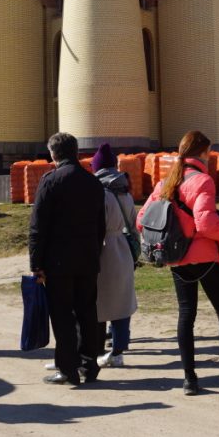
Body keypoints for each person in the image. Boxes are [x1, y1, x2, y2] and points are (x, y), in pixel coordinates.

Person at [136, 130, 219, 396]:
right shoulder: (203, 181)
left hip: (176, 258)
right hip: (204, 257)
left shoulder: (166, 182)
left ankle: (189, 378)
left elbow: (141, 220)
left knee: (186, 314)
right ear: (202, 152)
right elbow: (207, 224)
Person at [29, 132, 106, 386]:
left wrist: (36, 263)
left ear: (53, 153)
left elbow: (38, 226)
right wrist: (95, 252)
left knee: (62, 315)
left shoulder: (51, 181)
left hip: (58, 262)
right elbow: (101, 225)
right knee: (87, 313)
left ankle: (67, 368)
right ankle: (89, 365)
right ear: (76, 152)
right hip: (88, 259)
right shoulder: (93, 182)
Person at [90, 143, 138, 368]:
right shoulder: (125, 190)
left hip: (103, 249)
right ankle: (118, 349)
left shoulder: (98, 192)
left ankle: (96, 348)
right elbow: (133, 223)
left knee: (99, 301)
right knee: (122, 302)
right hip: (123, 249)